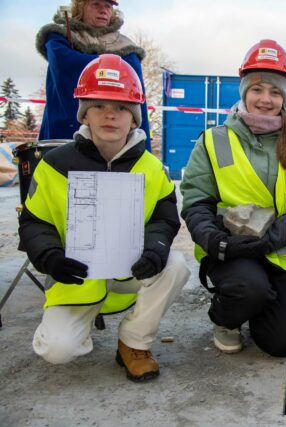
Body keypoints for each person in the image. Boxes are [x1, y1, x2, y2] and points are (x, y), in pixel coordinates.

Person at [18, 54, 190, 381]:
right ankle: (70, 327)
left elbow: (165, 217)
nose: (111, 115)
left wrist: (155, 248)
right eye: (99, 106)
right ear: (85, 113)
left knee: (176, 265)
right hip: (76, 277)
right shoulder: (55, 164)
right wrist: (49, 257)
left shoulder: (151, 168)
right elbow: (33, 222)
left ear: (135, 117)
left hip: (130, 270)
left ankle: (134, 342)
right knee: (57, 351)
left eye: (122, 107)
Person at [180, 39, 286, 357]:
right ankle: (226, 319)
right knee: (249, 288)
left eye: (275, 92)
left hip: (276, 251)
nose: (265, 99)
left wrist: (267, 241)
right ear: (244, 91)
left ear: (284, 96)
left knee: (283, 344)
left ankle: (257, 303)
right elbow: (195, 200)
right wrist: (216, 241)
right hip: (230, 251)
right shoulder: (214, 140)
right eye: (257, 89)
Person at [36, 0, 152, 151]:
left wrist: (142, 148)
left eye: (108, 6)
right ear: (80, 7)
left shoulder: (125, 46)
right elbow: (66, 65)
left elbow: (135, 93)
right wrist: (113, 68)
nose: (103, 10)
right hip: (64, 132)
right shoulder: (59, 36)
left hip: (112, 142)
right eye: (96, 4)